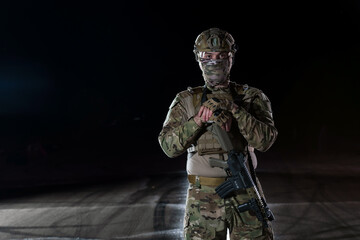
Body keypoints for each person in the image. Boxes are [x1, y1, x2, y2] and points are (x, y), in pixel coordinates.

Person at [158, 27, 278, 240]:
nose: (215, 61)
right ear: (199, 58)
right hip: (203, 196)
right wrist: (198, 120)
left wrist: (235, 109)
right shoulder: (186, 100)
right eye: (208, 56)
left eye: (222, 56)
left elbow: (265, 141)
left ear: (231, 58)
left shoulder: (251, 97)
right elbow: (168, 147)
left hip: (245, 190)